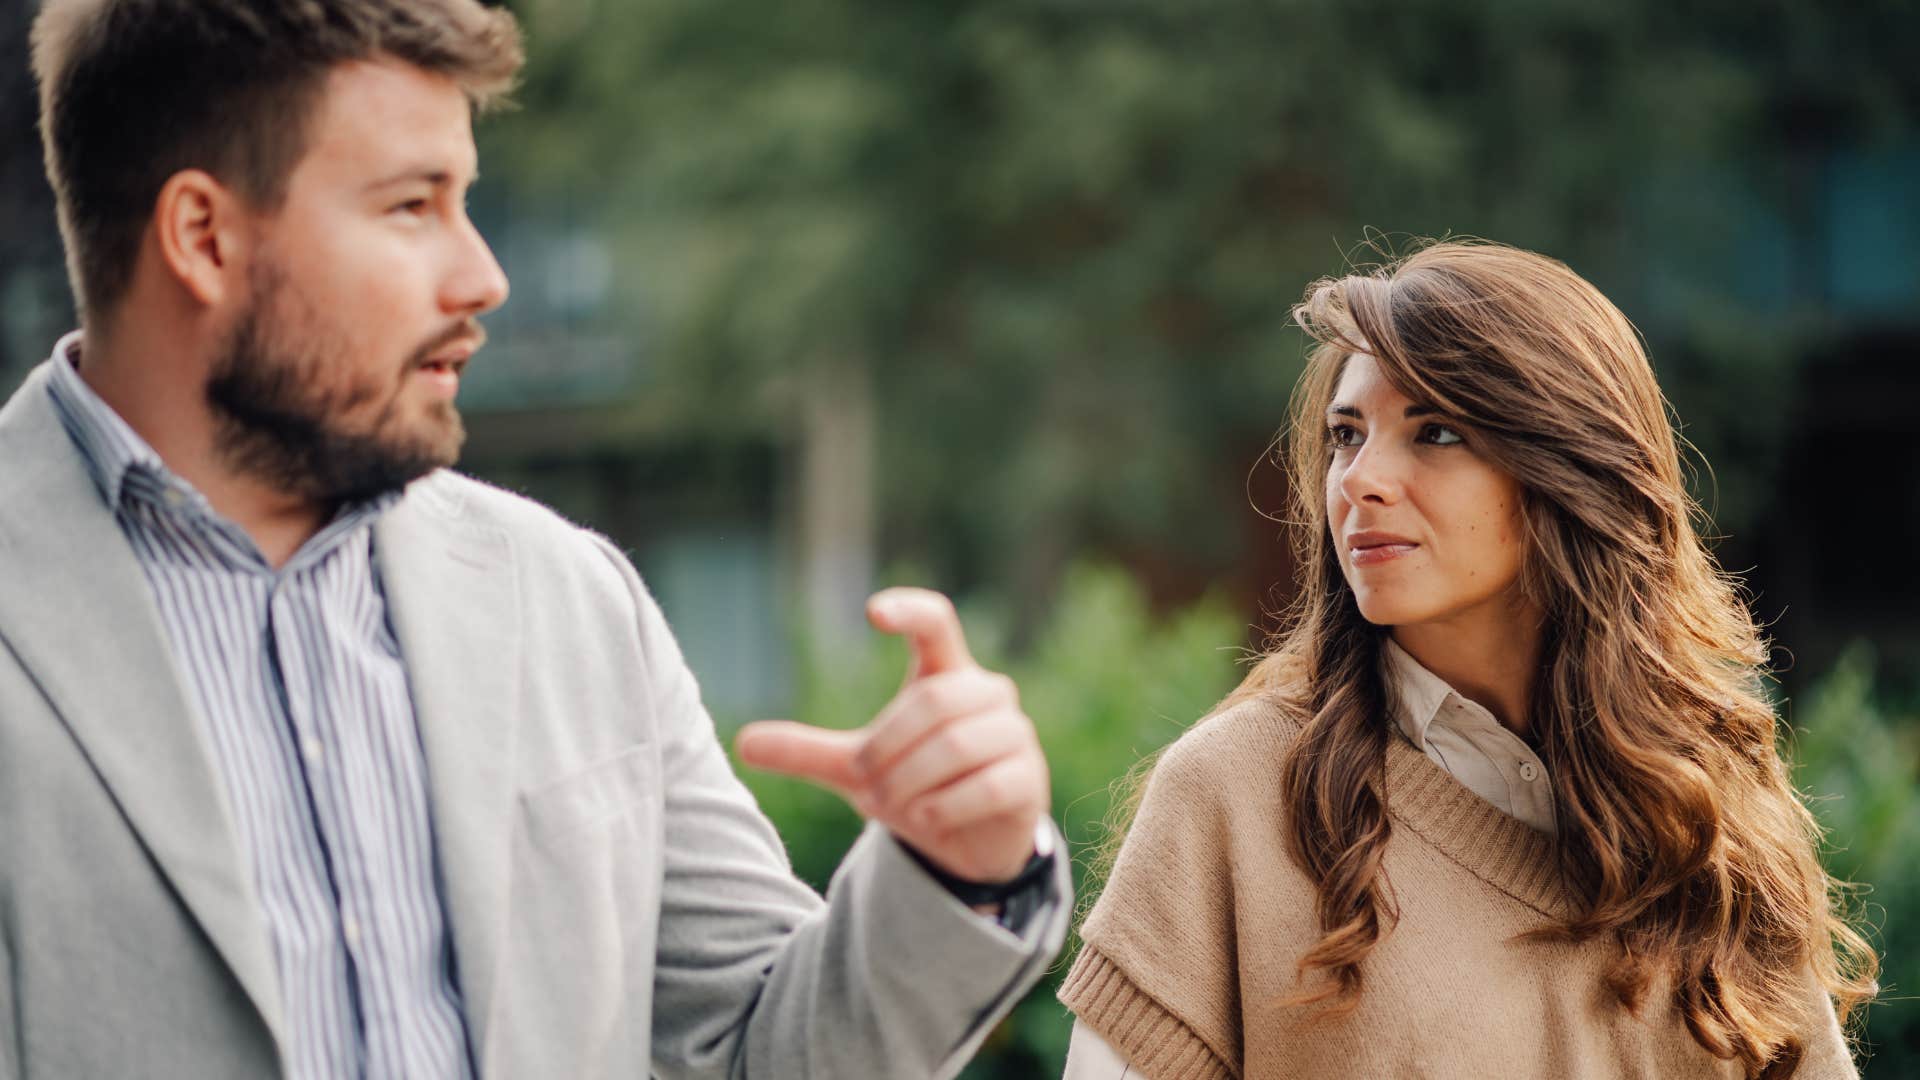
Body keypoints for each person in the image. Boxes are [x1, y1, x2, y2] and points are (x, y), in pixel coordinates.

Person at [1, 2, 1067, 1077]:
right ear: (205, 237)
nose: (483, 278)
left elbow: (756, 1052)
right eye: (413, 206)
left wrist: (957, 871)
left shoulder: (568, 597)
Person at [1058, 241, 1877, 1079]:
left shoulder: (1706, 808)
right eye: (1346, 434)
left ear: (1565, 469)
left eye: (1436, 431)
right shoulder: (1234, 796)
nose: (1361, 480)